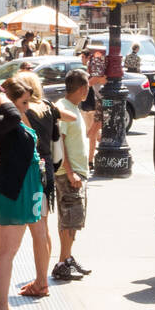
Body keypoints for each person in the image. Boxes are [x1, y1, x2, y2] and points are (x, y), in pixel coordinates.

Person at [0, 78, 44, 310]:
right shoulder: (1, 121)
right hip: (13, 190)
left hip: (23, 188)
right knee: (7, 251)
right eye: (23, 102)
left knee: (10, 250)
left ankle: (3, 307)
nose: (27, 107)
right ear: (9, 100)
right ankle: (1, 308)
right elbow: (10, 114)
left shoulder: (9, 120)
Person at [16, 71, 72, 298]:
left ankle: (41, 282)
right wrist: (53, 113)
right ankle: (42, 278)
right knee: (43, 225)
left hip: (31, 168)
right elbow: (72, 117)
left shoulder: (25, 111)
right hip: (47, 166)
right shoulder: (47, 106)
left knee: (37, 228)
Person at [54, 69, 93, 281]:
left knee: (73, 219)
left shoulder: (73, 108)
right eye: (87, 86)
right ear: (82, 89)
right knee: (69, 219)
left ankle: (66, 258)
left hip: (77, 172)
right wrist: (70, 172)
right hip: (70, 174)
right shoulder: (63, 109)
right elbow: (59, 142)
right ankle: (62, 262)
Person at [80, 48, 107, 165]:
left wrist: (83, 85)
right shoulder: (93, 66)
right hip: (100, 101)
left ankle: (91, 160)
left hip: (102, 101)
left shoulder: (95, 64)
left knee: (92, 132)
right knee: (94, 133)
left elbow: (97, 79)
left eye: (82, 57)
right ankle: (91, 160)